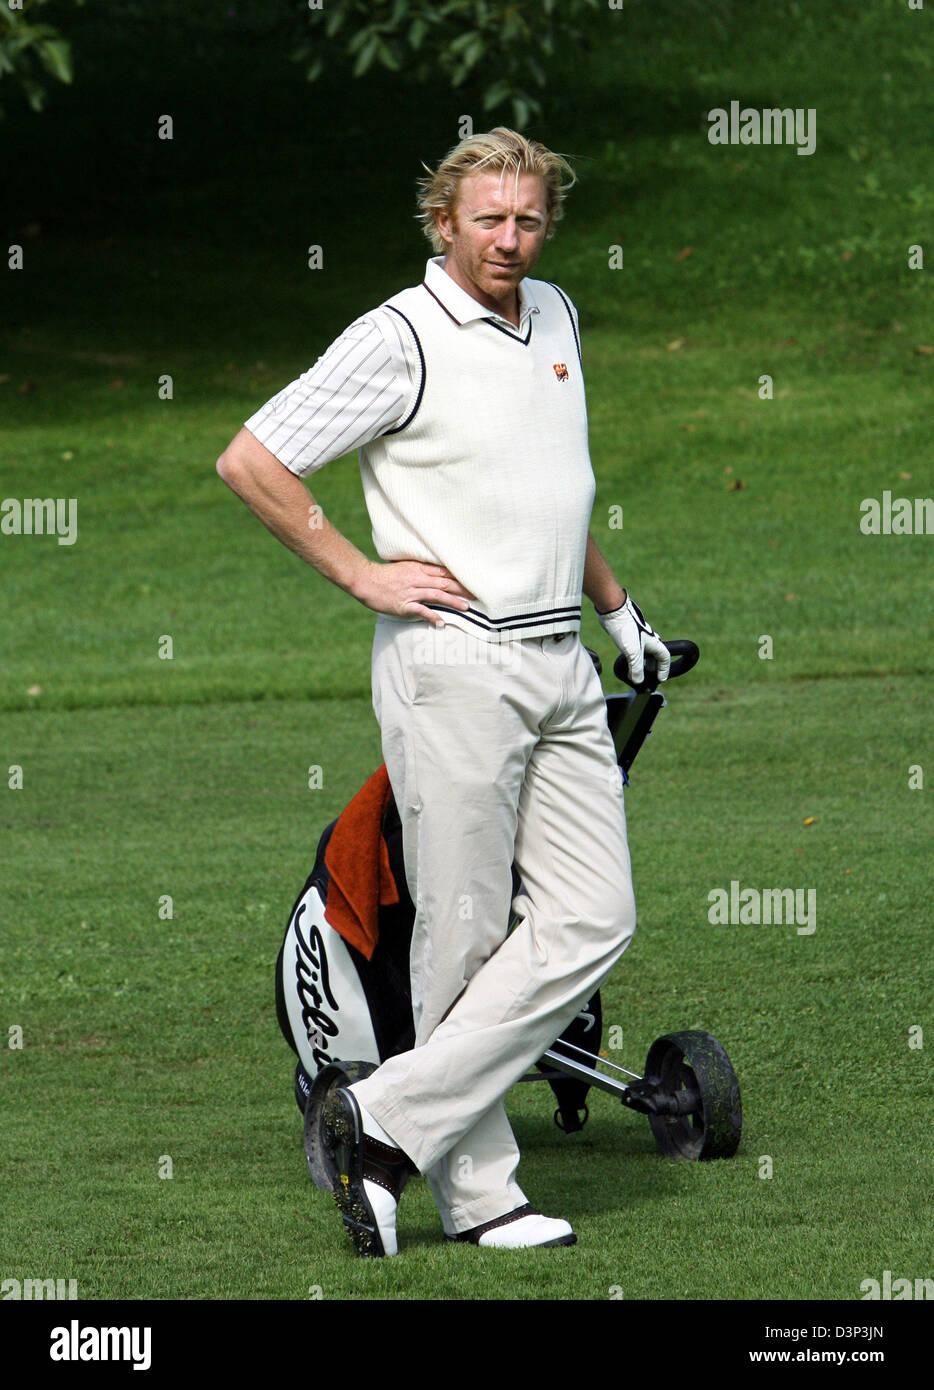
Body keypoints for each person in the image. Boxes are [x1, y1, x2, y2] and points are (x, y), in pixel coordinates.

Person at [216, 127, 670, 1256]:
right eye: (487, 220)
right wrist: (361, 572)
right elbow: (253, 460)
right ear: (443, 223)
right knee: (460, 935)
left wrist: (616, 610)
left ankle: (379, 1119)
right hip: (453, 668)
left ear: (545, 222)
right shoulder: (400, 336)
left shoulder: (557, 314)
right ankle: (482, 1197)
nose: (508, 239)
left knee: (592, 914)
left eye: (525, 219)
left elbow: (553, 490)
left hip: (561, 659)